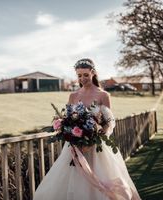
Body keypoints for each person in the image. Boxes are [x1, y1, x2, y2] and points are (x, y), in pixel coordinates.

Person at [33, 58, 141, 200]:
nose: (82, 78)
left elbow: (109, 121)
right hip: (75, 146)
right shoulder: (73, 96)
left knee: (100, 178)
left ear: (93, 73)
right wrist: (69, 132)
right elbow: (69, 120)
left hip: (96, 146)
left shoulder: (103, 95)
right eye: (79, 75)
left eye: (85, 75)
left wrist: (98, 135)